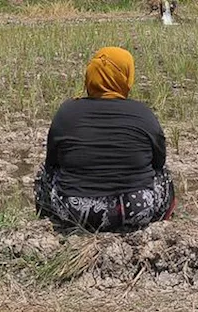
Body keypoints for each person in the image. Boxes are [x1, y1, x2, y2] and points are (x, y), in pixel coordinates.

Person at [35, 47, 176, 233]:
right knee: (163, 173)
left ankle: (51, 225)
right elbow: (159, 161)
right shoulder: (144, 115)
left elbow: (52, 162)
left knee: (44, 172)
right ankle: (159, 224)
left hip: (74, 211)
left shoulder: (66, 113)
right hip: (134, 210)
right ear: (125, 77)